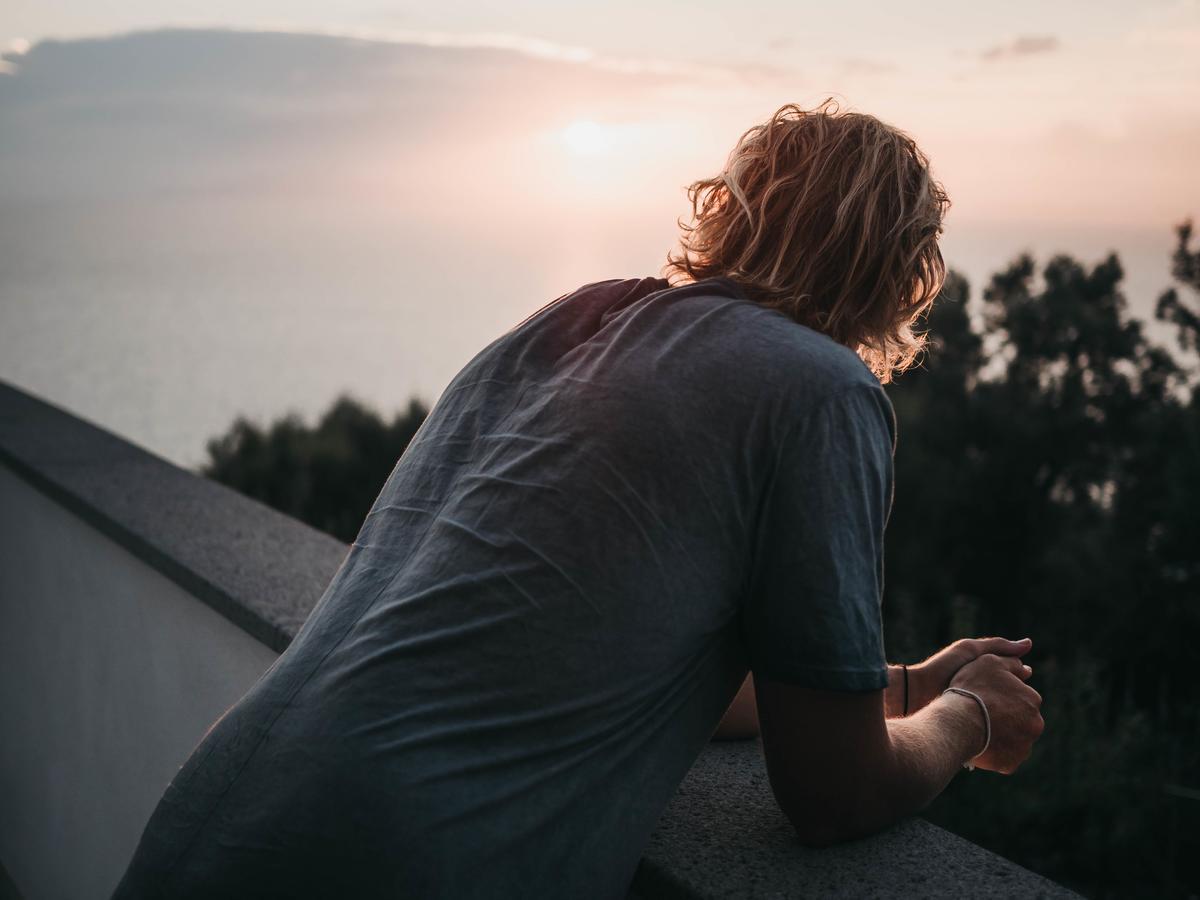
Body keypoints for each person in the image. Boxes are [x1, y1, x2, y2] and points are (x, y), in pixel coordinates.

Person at [112, 98, 1044, 899]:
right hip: (406, 864)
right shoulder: (821, 390)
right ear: (902, 272)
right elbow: (833, 796)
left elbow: (651, 663)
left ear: (737, 212)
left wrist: (907, 686)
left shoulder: (573, 320)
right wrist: (968, 718)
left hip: (210, 826)